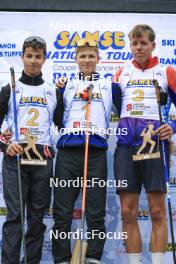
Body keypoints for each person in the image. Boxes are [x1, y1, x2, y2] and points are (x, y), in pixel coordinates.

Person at [113, 24, 176, 264]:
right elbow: (118, 108)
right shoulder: (120, 73)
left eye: (144, 43)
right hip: (126, 147)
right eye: (135, 43)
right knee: (128, 212)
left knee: (157, 211)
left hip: (154, 148)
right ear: (130, 46)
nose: (139, 48)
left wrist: (173, 127)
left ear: (153, 45)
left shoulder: (166, 71)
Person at [0, 36, 63, 264]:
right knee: (15, 216)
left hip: (42, 158)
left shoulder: (53, 91)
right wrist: (5, 145)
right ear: (22, 57)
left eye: (38, 56)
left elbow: (62, 124)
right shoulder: (9, 89)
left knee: (36, 217)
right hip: (16, 156)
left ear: (45, 59)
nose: (33, 61)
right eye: (29, 56)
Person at [52, 38, 112, 264]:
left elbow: (129, 110)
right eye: (82, 56)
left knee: (96, 212)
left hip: (96, 153)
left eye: (91, 56)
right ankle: (61, 259)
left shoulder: (109, 85)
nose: (87, 60)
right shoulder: (64, 85)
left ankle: (94, 257)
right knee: (62, 211)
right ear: (76, 60)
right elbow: (54, 116)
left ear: (98, 59)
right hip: (68, 153)